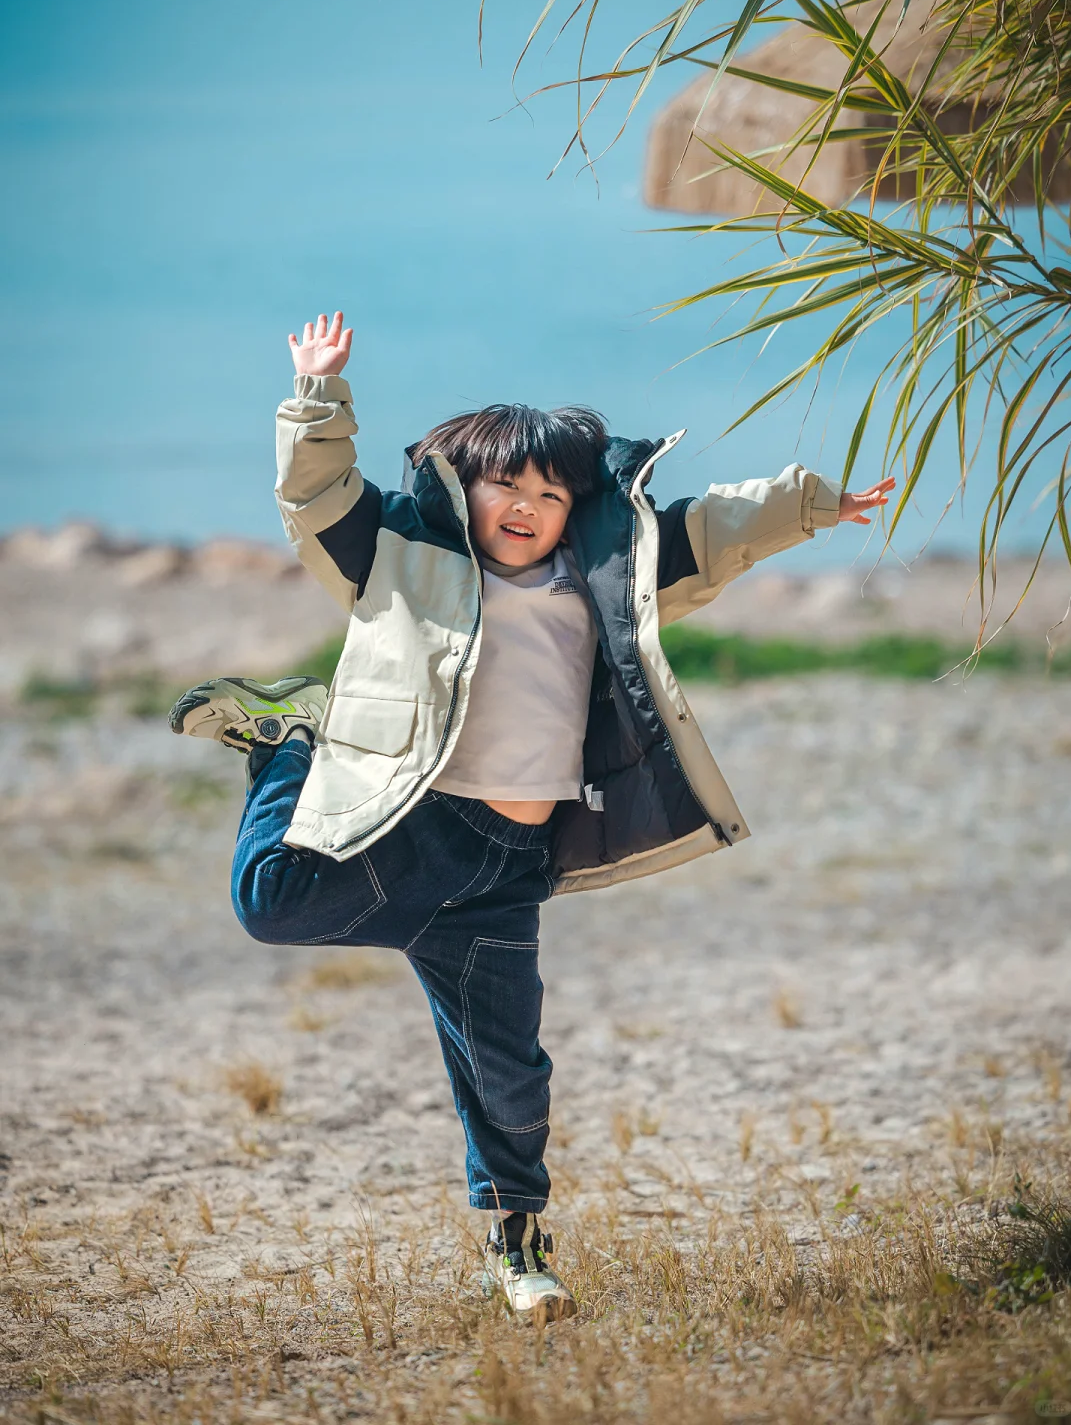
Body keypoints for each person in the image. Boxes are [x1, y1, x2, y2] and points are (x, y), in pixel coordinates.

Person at [169, 310, 894, 1320]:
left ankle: (519, 1252)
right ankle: (287, 742)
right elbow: (314, 495)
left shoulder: (602, 579)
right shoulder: (400, 558)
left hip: (505, 873)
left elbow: (708, 530)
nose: (527, 504)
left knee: (509, 1077)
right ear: (463, 489)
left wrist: (812, 504)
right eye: (506, 484)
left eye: (551, 493)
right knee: (267, 900)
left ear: (573, 510)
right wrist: (319, 394)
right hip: (414, 828)